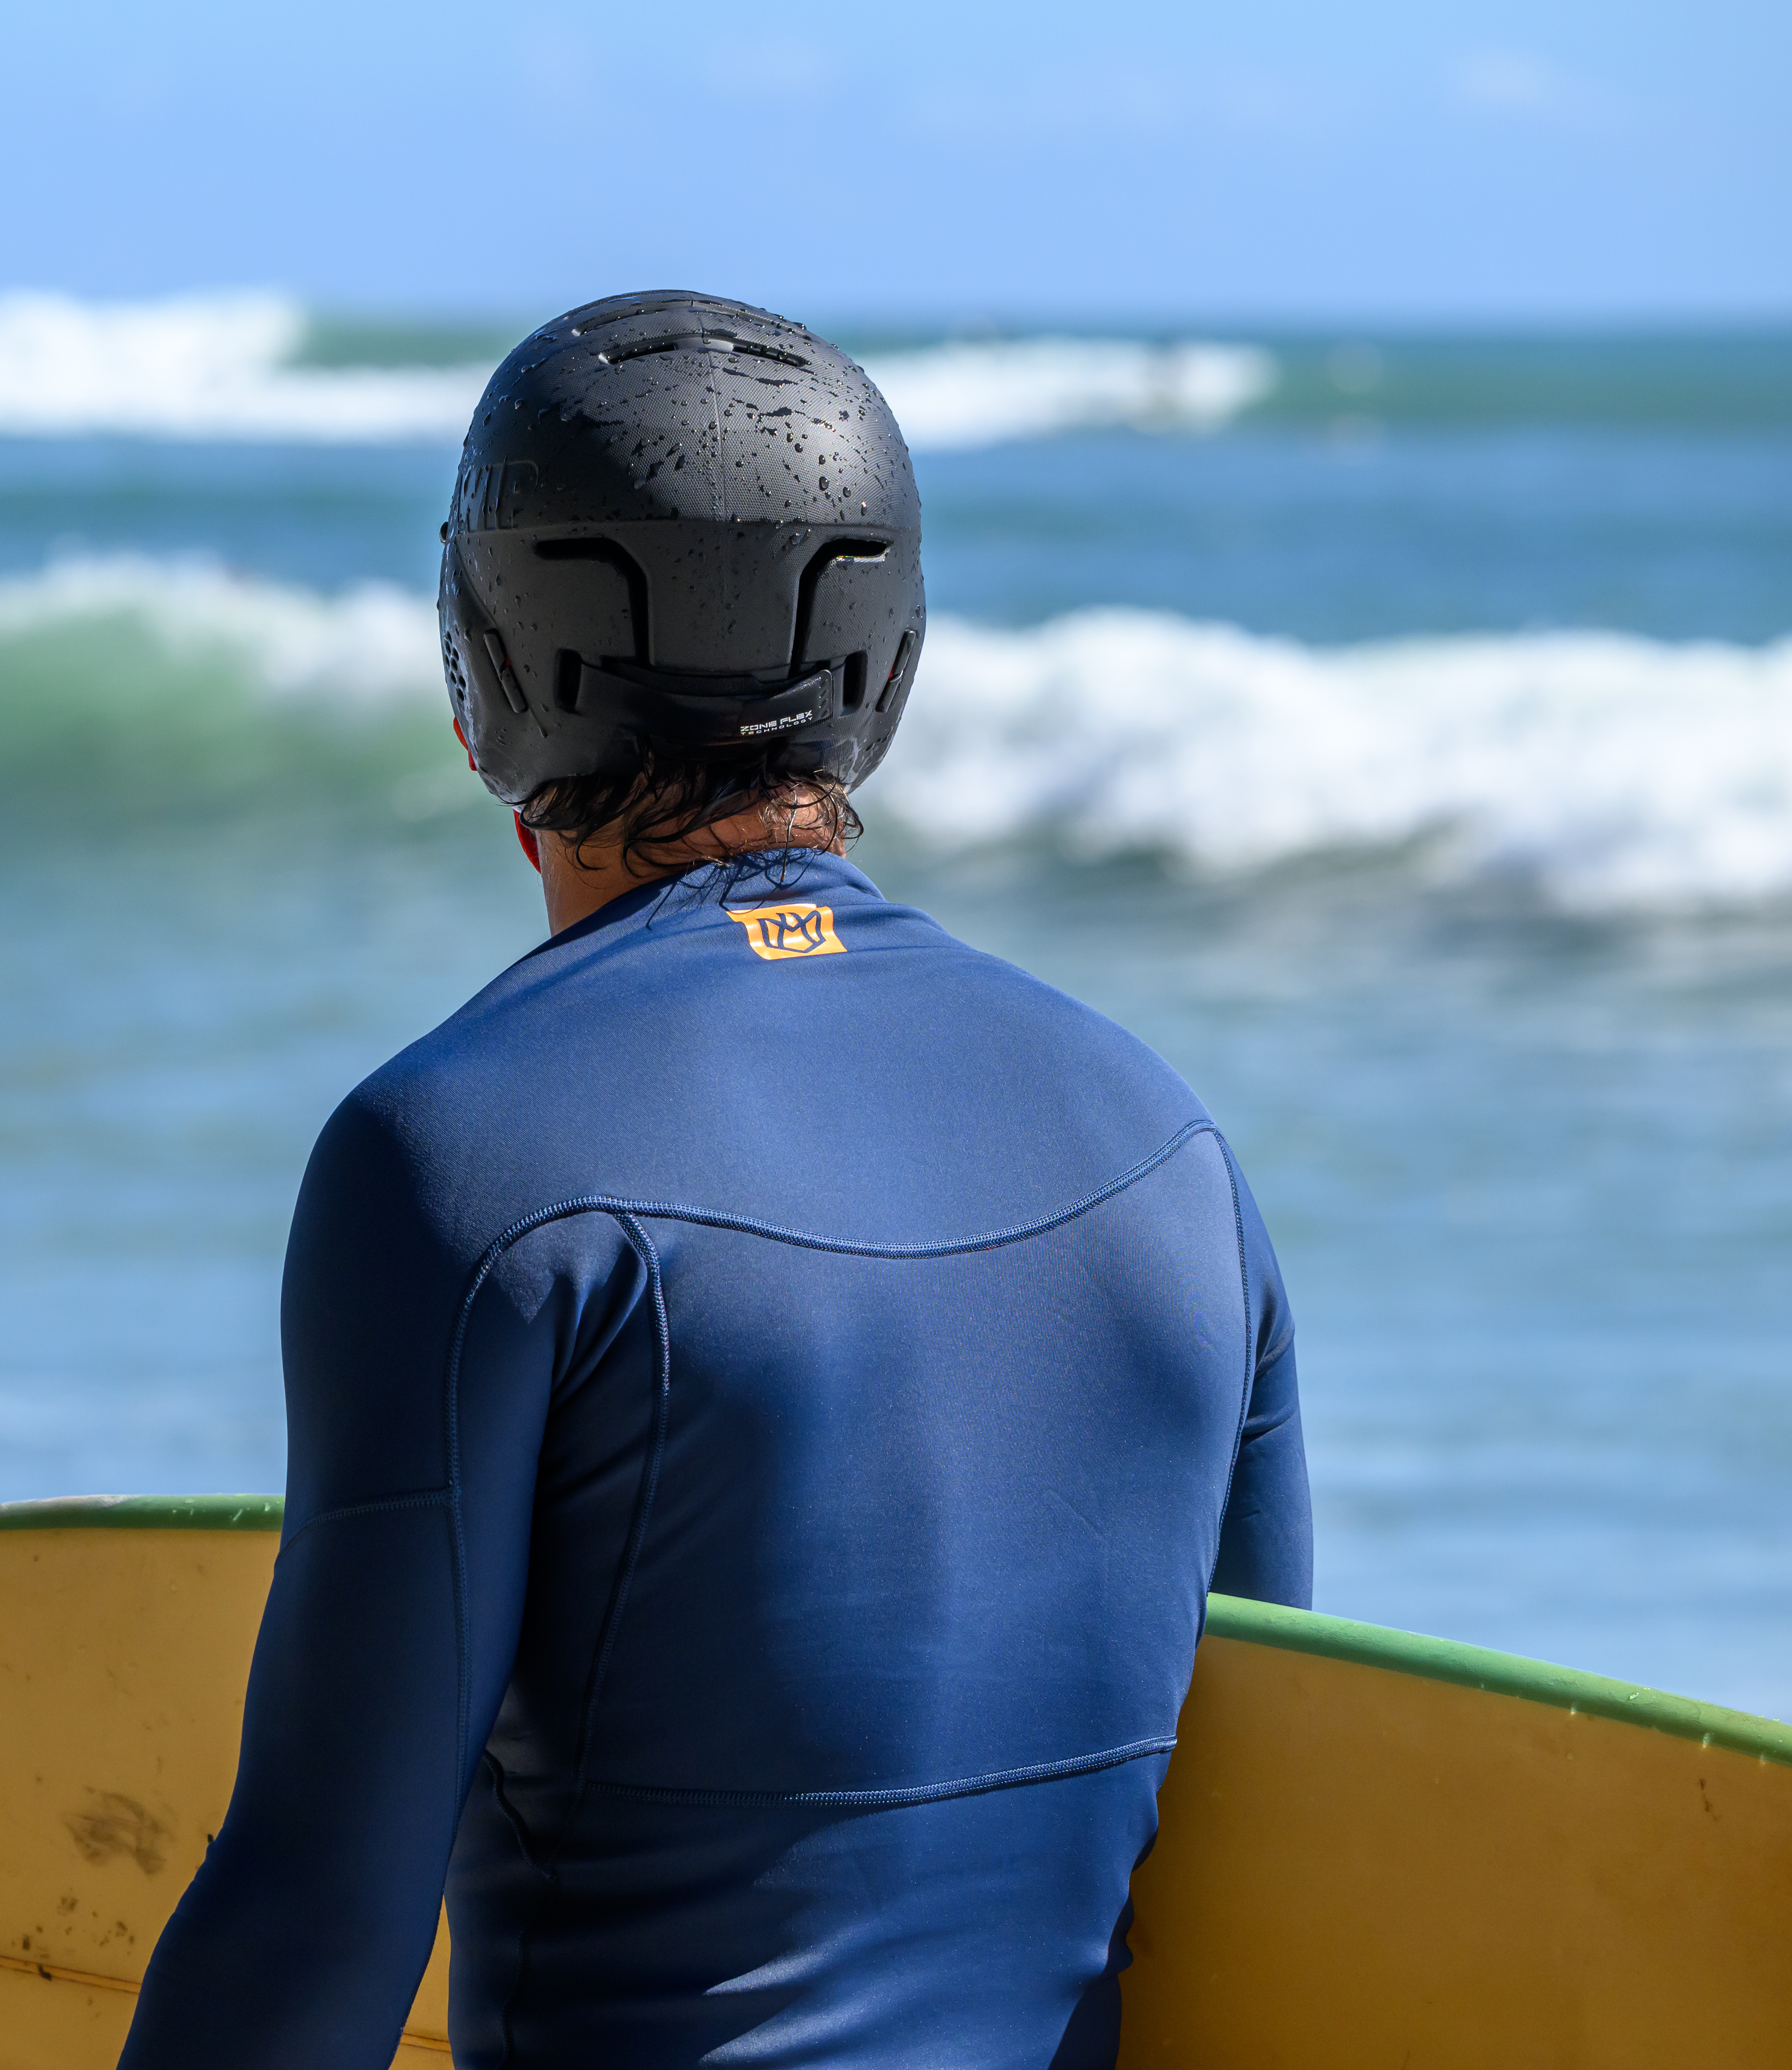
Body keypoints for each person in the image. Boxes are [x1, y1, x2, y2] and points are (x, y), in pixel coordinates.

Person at [113, 293, 1313, 2070]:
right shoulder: (1172, 1149)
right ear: (885, 669)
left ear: (483, 680)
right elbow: (1294, 1824)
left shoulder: (457, 1162)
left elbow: (319, 1917)